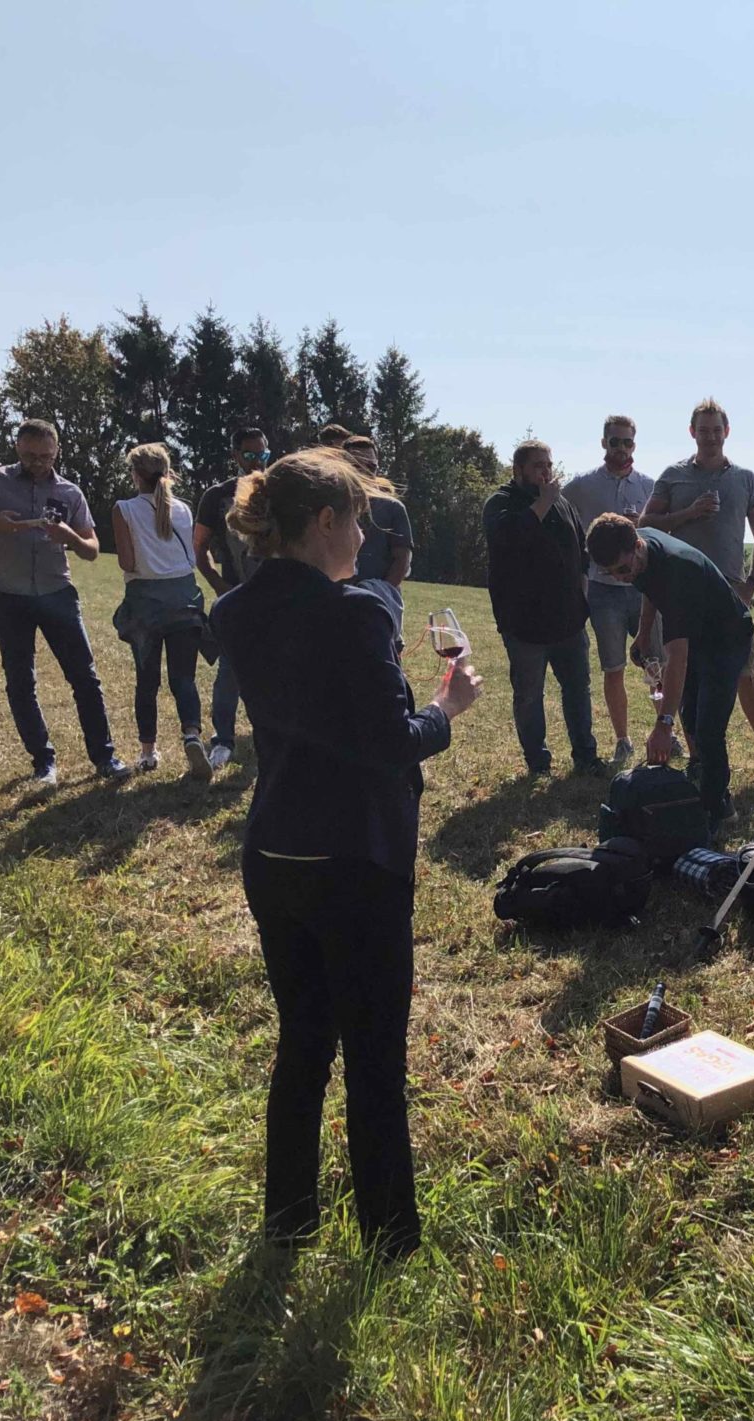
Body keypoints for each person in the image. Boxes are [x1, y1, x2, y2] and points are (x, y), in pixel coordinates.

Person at [209, 447, 481, 1263]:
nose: (365, 535)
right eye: (358, 518)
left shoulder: (237, 610)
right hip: (354, 858)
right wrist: (446, 708)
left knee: (302, 1041)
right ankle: (391, 1242)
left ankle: (289, 1219)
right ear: (324, 522)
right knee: (372, 1060)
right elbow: (387, 744)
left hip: (275, 851)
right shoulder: (357, 613)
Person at [0, 418, 129, 786]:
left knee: (85, 678)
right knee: (20, 681)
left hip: (56, 594)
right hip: (7, 597)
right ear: (18, 448)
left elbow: (92, 550)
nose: (38, 463)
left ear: (56, 451)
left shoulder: (70, 492)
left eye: (45, 456)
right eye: (30, 456)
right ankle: (43, 763)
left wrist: (70, 538)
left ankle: (104, 757)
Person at [643, 398, 754, 781]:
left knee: (745, 675)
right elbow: (646, 525)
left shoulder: (745, 478)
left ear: (727, 432)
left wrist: (750, 582)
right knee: (685, 677)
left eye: (716, 430)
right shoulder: (673, 475)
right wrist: (688, 513)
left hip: (729, 598)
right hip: (683, 597)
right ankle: (699, 756)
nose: (710, 436)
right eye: (703, 430)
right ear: (692, 432)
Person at [586, 513, 752, 834]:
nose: (620, 578)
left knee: (708, 727)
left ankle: (719, 809)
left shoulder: (678, 570)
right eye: (610, 572)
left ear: (636, 546)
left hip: (727, 638)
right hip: (698, 632)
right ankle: (701, 775)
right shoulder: (640, 552)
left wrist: (663, 724)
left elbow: (678, 658)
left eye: (622, 569)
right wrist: (644, 633)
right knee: (690, 713)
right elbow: (649, 587)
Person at [483, 439, 601, 776]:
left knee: (578, 689)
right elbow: (507, 541)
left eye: (548, 465)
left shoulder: (561, 503)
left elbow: (580, 549)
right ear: (518, 470)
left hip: (569, 621)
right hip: (524, 625)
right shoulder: (501, 504)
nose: (545, 472)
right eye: (538, 466)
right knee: (529, 695)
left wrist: (582, 594)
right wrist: (542, 505)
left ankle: (586, 756)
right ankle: (538, 763)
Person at [563, 415, 664, 768]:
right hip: (603, 593)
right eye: (615, 441)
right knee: (614, 667)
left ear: (634, 445)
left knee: (655, 663)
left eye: (627, 442)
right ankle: (623, 740)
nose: (621, 448)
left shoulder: (650, 486)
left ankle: (665, 729)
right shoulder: (582, 486)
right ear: (604, 443)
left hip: (643, 590)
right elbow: (561, 517)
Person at [110, 444, 211, 779]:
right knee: (184, 677)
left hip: (145, 603)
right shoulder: (182, 508)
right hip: (184, 598)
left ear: (136, 475)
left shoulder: (124, 509)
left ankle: (149, 753)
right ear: (168, 473)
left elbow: (126, 562)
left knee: (146, 682)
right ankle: (192, 734)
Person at [192, 425, 270, 769]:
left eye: (263, 455)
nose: (258, 462)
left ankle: (273, 733)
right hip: (237, 596)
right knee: (230, 672)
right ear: (236, 456)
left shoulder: (280, 491)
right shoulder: (217, 496)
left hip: (278, 597)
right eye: (250, 455)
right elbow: (199, 550)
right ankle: (222, 741)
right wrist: (222, 589)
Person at [343, 436, 415, 587]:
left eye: (371, 466)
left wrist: (381, 594)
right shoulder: (328, 506)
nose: (365, 472)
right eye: (356, 466)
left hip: (378, 601)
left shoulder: (393, 508)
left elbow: (402, 559)